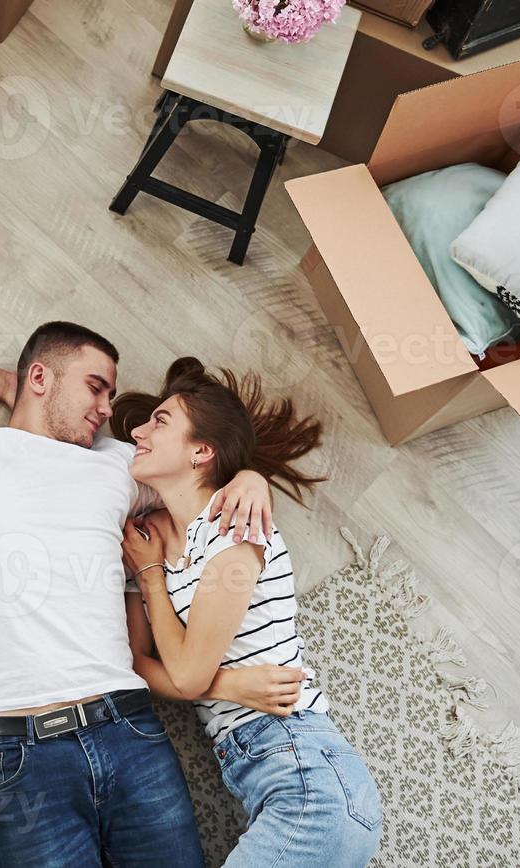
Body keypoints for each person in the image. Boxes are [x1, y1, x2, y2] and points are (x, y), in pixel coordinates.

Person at [0, 321, 308, 868]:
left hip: (126, 729)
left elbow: (198, 472)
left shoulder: (117, 465)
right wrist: (13, 387)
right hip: (15, 757)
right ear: (40, 375)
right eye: (95, 386)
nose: (107, 408)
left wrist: (249, 476)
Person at [113, 357, 384, 868]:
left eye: (160, 421)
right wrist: (229, 685)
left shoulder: (234, 527)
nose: (141, 431)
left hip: (308, 780)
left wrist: (152, 578)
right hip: (275, 781)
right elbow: (135, 664)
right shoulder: (146, 540)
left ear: (202, 451)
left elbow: (186, 675)